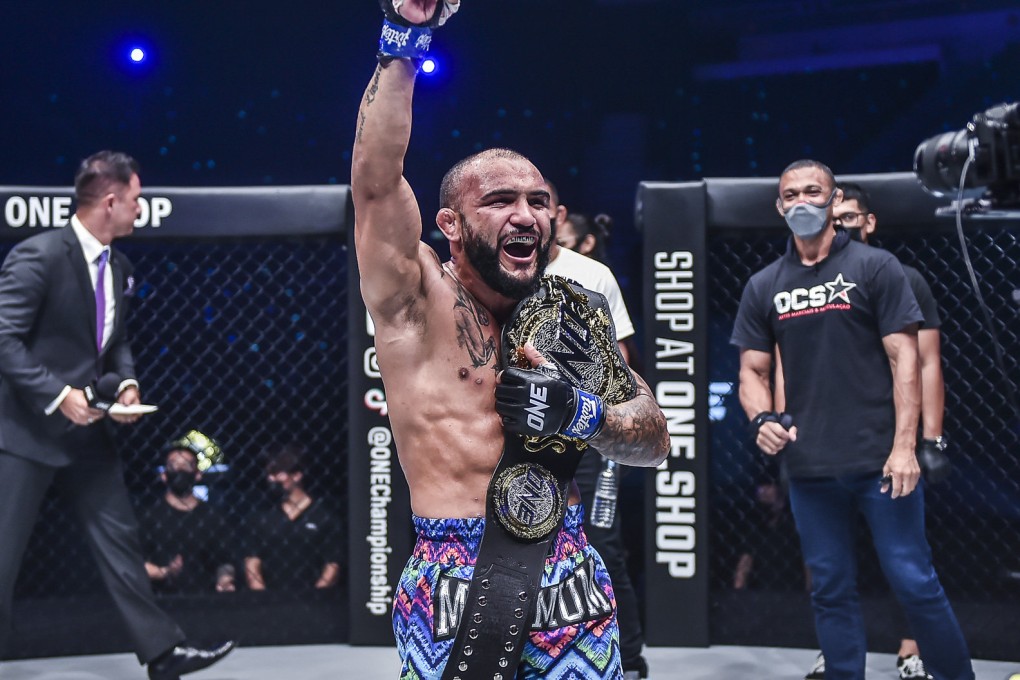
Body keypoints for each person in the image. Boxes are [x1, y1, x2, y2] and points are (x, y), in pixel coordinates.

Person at [351, 2, 669, 678]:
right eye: (500, 201)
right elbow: (376, 184)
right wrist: (405, 38)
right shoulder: (415, 301)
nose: (526, 215)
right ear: (451, 224)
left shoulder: (573, 315)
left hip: (568, 575)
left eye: (538, 202)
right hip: (452, 576)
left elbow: (652, 440)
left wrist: (581, 414)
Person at [730, 159, 973, 680]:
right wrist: (760, 418)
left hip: (880, 461)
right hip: (810, 465)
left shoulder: (876, 267)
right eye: (791, 194)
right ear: (779, 206)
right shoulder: (764, 284)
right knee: (829, 588)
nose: (802, 202)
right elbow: (752, 370)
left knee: (914, 581)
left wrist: (906, 447)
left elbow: (906, 360)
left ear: (834, 199)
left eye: (812, 191)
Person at [0, 151, 234, 678]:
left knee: (120, 543)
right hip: (26, 433)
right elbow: (4, 339)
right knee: (2, 556)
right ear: (110, 201)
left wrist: (126, 384)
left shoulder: (118, 266)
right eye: (135, 198)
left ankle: (163, 653)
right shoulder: (39, 256)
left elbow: (115, 341)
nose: (139, 208)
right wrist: (58, 394)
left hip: (88, 433)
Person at [801, 182, 951, 680]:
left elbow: (926, 362)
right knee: (827, 565)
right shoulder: (805, 285)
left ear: (869, 222)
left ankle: (913, 648)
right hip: (825, 440)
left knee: (907, 562)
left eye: (849, 217)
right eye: (833, 217)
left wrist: (930, 439)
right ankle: (836, 652)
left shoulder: (901, 277)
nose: (839, 224)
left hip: (890, 440)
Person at [544, 182, 649, 680]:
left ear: (558, 213)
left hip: (590, 433)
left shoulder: (590, 274)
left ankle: (629, 659)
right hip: (524, 434)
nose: (525, 213)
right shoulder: (493, 272)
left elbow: (621, 360)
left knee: (601, 541)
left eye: (538, 202)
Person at [139, 430, 236, 594]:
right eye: (173, 465)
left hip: (205, 598)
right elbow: (136, 562)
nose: (179, 469)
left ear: (197, 474)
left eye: (186, 465)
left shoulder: (212, 516)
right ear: (164, 475)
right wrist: (165, 572)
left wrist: (224, 579)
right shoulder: (148, 516)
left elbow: (224, 561)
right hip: (160, 598)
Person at [243, 444, 342, 591]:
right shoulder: (261, 515)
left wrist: (316, 596)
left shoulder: (323, 516)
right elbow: (252, 562)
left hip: (314, 599)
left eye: (276, 473)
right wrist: (263, 598)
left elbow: (332, 564)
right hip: (270, 599)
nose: (271, 478)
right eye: (269, 473)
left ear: (296, 475)